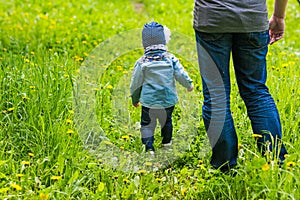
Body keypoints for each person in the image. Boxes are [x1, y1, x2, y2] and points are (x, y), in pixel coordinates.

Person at [193, 0, 288, 172]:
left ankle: (225, 168)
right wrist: (279, 16)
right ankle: (277, 163)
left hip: (212, 19)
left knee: (216, 96)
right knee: (256, 92)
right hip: (253, 18)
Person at [130, 22, 194, 156]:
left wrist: (135, 99)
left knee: (147, 124)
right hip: (167, 99)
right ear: (163, 41)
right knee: (167, 121)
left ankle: (149, 149)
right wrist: (188, 85)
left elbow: (136, 83)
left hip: (149, 102)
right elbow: (181, 74)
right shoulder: (170, 59)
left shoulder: (142, 62)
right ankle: (167, 143)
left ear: (144, 43)